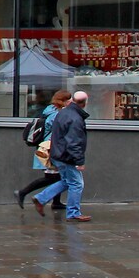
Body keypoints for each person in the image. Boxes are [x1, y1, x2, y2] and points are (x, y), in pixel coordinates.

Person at [33, 90, 90, 222]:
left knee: (66, 181)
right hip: (66, 156)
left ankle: (41, 198)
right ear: (85, 103)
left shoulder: (63, 113)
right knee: (77, 184)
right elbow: (73, 142)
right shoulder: (75, 118)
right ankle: (73, 213)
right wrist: (79, 161)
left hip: (58, 154)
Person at [16, 90, 71, 211]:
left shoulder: (50, 110)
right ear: (62, 101)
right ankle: (22, 192)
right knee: (51, 178)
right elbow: (59, 130)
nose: (70, 102)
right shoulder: (55, 114)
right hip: (49, 149)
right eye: (68, 100)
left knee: (58, 176)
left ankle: (56, 202)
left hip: (49, 147)